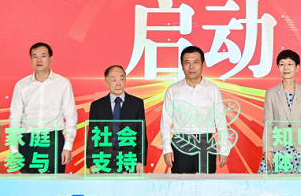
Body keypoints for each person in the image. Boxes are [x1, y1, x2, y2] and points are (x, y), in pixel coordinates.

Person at [8, 42, 78, 174]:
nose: (39, 60)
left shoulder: (63, 83)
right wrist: (14, 149)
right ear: (30, 60)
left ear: (50, 59)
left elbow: (70, 116)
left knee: (54, 183)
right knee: (28, 183)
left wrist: (67, 146)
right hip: (28, 140)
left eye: (43, 56)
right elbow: (15, 118)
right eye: (35, 56)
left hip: (52, 140)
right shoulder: (21, 85)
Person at [161, 45, 230, 174]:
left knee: (205, 183)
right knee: (181, 183)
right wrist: (167, 149)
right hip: (180, 143)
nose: (191, 67)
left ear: (203, 64)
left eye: (195, 62)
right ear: (182, 65)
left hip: (206, 143)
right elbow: (165, 123)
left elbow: (221, 121)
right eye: (187, 62)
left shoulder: (212, 89)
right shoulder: (173, 90)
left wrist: (224, 149)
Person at [258, 50, 301, 174]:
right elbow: (268, 124)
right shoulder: (271, 93)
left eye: (290, 64)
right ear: (278, 67)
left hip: (300, 148)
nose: (286, 68)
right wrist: (267, 150)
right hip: (278, 147)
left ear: (297, 67)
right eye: (282, 64)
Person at [86, 65, 147, 174]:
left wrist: (140, 160)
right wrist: (92, 162)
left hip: (129, 159)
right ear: (106, 82)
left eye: (121, 79)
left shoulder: (137, 104)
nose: (118, 83)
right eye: (114, 80)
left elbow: (141, 134)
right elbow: (93, 136)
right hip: (104, 160)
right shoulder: (97, 106)